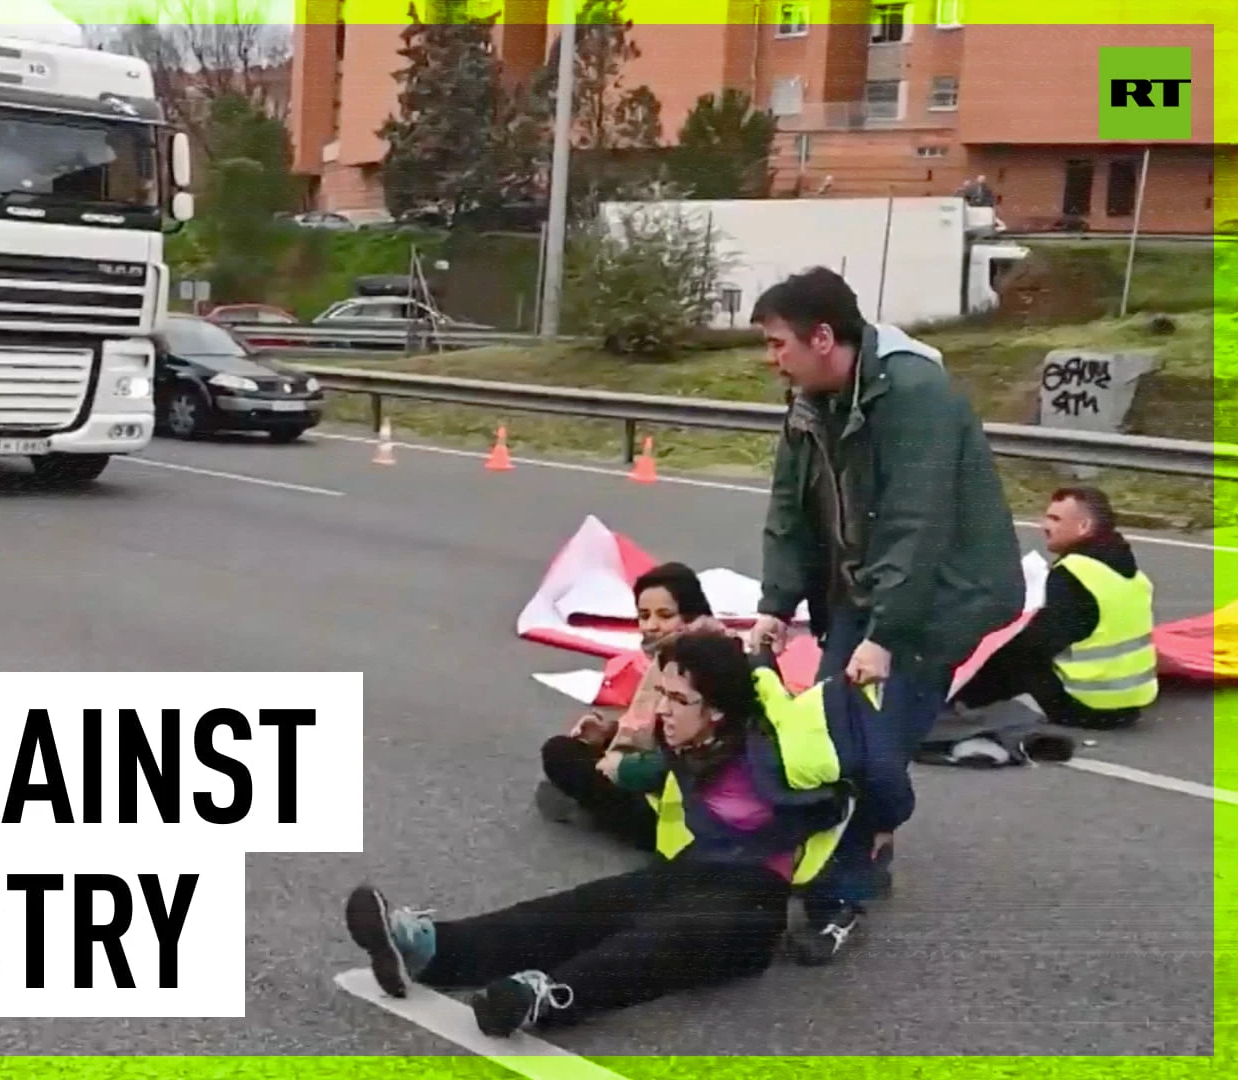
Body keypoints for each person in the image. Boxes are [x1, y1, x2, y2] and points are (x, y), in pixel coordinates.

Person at [344, 632, 867, 1038]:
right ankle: (434, 950)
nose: (662, 708)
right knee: (586, 906)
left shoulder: (778, 755)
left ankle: (552, 997)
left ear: (717, 710)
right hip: (694, 869)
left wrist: (761, 674)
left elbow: (846, 777)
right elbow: (635, 772)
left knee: (666, 936)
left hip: (755, 906)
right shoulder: (688, 747)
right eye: (661, 693)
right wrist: (601, 745)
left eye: (677, 699)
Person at [744, 267, 1024, 966]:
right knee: (841, 740)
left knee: (864, 748)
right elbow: (790, 508)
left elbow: (915, 525)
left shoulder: (915, 396)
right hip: (859, 595)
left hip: (935, 602)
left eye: (778, 343)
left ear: (823, 337)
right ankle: (868, 845)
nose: (770, 357)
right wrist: (776, 605)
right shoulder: (810, 401)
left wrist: (886, 637)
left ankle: (841, 898)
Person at [535, 562, 724, 837]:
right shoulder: (681, 651)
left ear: (691, 612)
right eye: (644, 615)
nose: (651, 626)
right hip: (671, 771)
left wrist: (624, 769)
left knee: (559, 755)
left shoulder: (704, 661)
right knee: (571, 750)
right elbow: (658, 728)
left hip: (686, 800)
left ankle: (594, 806)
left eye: (664, 615)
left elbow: (696, 754)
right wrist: (609, 732)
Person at [952, 487, 1156, 730]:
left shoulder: (1075, 577)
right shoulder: (1133, 576)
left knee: (1003, 651)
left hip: (1084, 705)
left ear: (1084, 527)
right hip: (1129, 704)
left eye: (1055, 519)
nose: (1044, 525)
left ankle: (953, 700)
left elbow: (1035, 644)